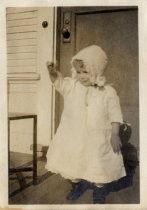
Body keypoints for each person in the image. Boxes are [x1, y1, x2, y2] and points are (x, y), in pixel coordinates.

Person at [45, 45, 126, 204]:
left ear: (97, 70)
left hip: (98, 137)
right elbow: (58, 82)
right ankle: (77, 186)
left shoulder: (107, 91)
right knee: (72, 162)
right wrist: (52, 73)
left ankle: (99, 190)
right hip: (74, 135)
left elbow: (115, 113)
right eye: (79, 72)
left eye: (86, 72)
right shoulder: (72, 86)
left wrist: (115, 134)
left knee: (98, 163)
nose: (82, 76)